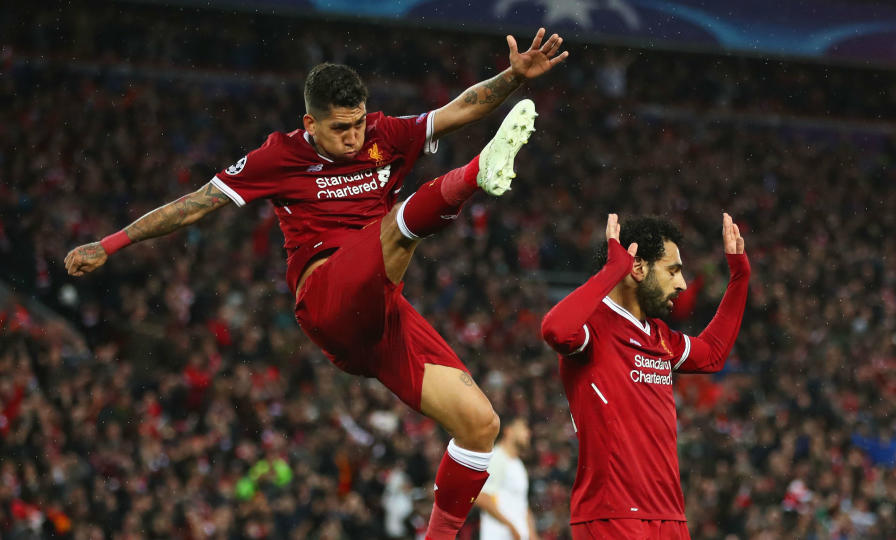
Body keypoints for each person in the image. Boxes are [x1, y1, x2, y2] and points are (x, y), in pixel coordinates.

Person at [63, 29, 568, 539]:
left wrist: (512, 77)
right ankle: (476, 173)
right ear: (310, 123)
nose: (353, 137)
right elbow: (193, 204)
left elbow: (458, 109)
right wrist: (108, 245)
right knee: (395, 227)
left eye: (357, 124)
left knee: (481, 423)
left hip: (379, 309)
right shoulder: (276, 158)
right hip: (325, 295)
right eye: (339, 128)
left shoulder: (382, 134)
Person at [540, 213, 751, 539]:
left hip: (669, 517)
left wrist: (739, 277)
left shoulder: (660, 336)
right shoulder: (594, 326)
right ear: (636, 268)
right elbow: (554, 329)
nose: (681, 284)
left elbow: (712, 354)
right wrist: (612, 271)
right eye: (673, 270)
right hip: (613, 517)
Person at [476, 417, 537, 540]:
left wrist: (532, 535)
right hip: (499, 535)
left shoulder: (518, 464)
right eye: (523, 428)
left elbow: (522, 504)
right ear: (508, 431)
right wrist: (510, 526)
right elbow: (481, 496)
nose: (528, 433)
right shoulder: (497, 457)